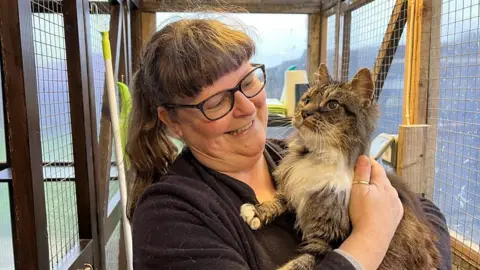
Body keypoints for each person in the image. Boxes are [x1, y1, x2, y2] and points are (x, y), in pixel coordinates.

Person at [126, 17, 451, 270]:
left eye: (249, 81)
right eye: (215, 102)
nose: (248, 107)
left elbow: (425, 208)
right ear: (173, 122)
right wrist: (372, 237)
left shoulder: (288, 152)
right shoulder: (168, 218)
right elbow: (385, 217)